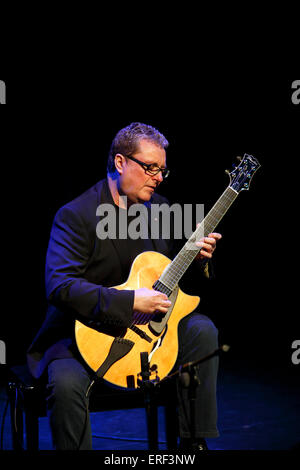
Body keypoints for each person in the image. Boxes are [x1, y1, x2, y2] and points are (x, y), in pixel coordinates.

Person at [27, 122, 222, 451]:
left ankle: (193, 445)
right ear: (120, 163)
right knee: (65, 384)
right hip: (84, 334)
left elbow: (166, 276)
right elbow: (59, 286)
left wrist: (199, 258)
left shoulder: (159, 208)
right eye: (150, 167)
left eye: (162, 170)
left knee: (202, 330)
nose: (158, 177)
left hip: (147, 334)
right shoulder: (77, 215)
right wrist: (129, 300)